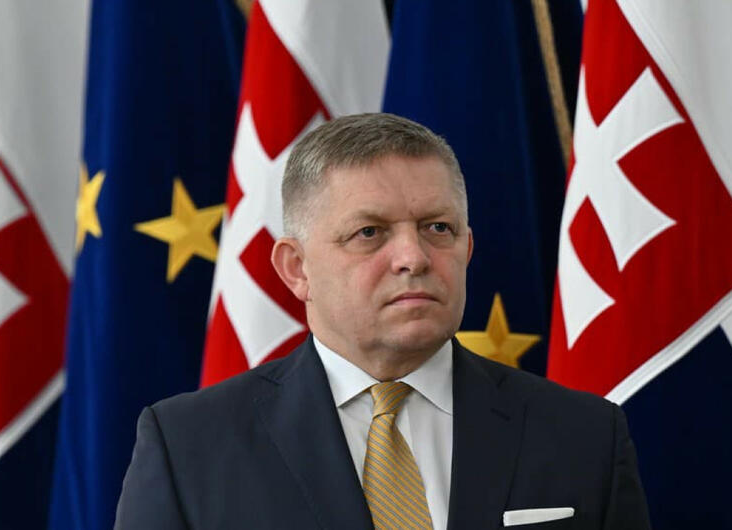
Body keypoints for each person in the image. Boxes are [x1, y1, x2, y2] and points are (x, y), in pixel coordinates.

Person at [114, 113, 651, 529]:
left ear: (466, 249)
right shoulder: (188, 447)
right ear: (296, 268)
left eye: (437, 228)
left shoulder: (585, 436)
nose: (413, 257)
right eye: (369, 233)